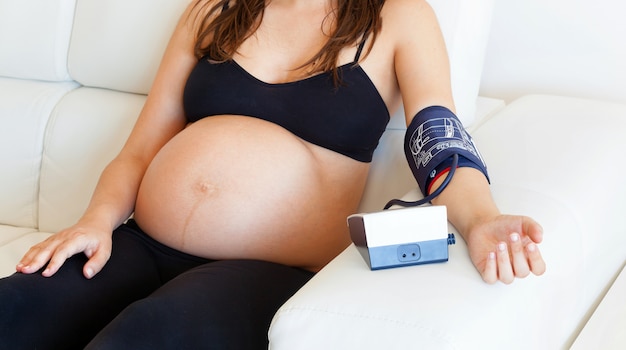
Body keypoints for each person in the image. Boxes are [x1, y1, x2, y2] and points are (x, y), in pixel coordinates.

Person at [0, 0, 546, 348]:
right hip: (141, 242)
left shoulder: (397, 16)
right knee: (17, 308)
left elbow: (437, 137)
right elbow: (141, 148)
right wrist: (95, 221)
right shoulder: (212, 11)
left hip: (271, 268)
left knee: (146, 337)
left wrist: (482, 220)